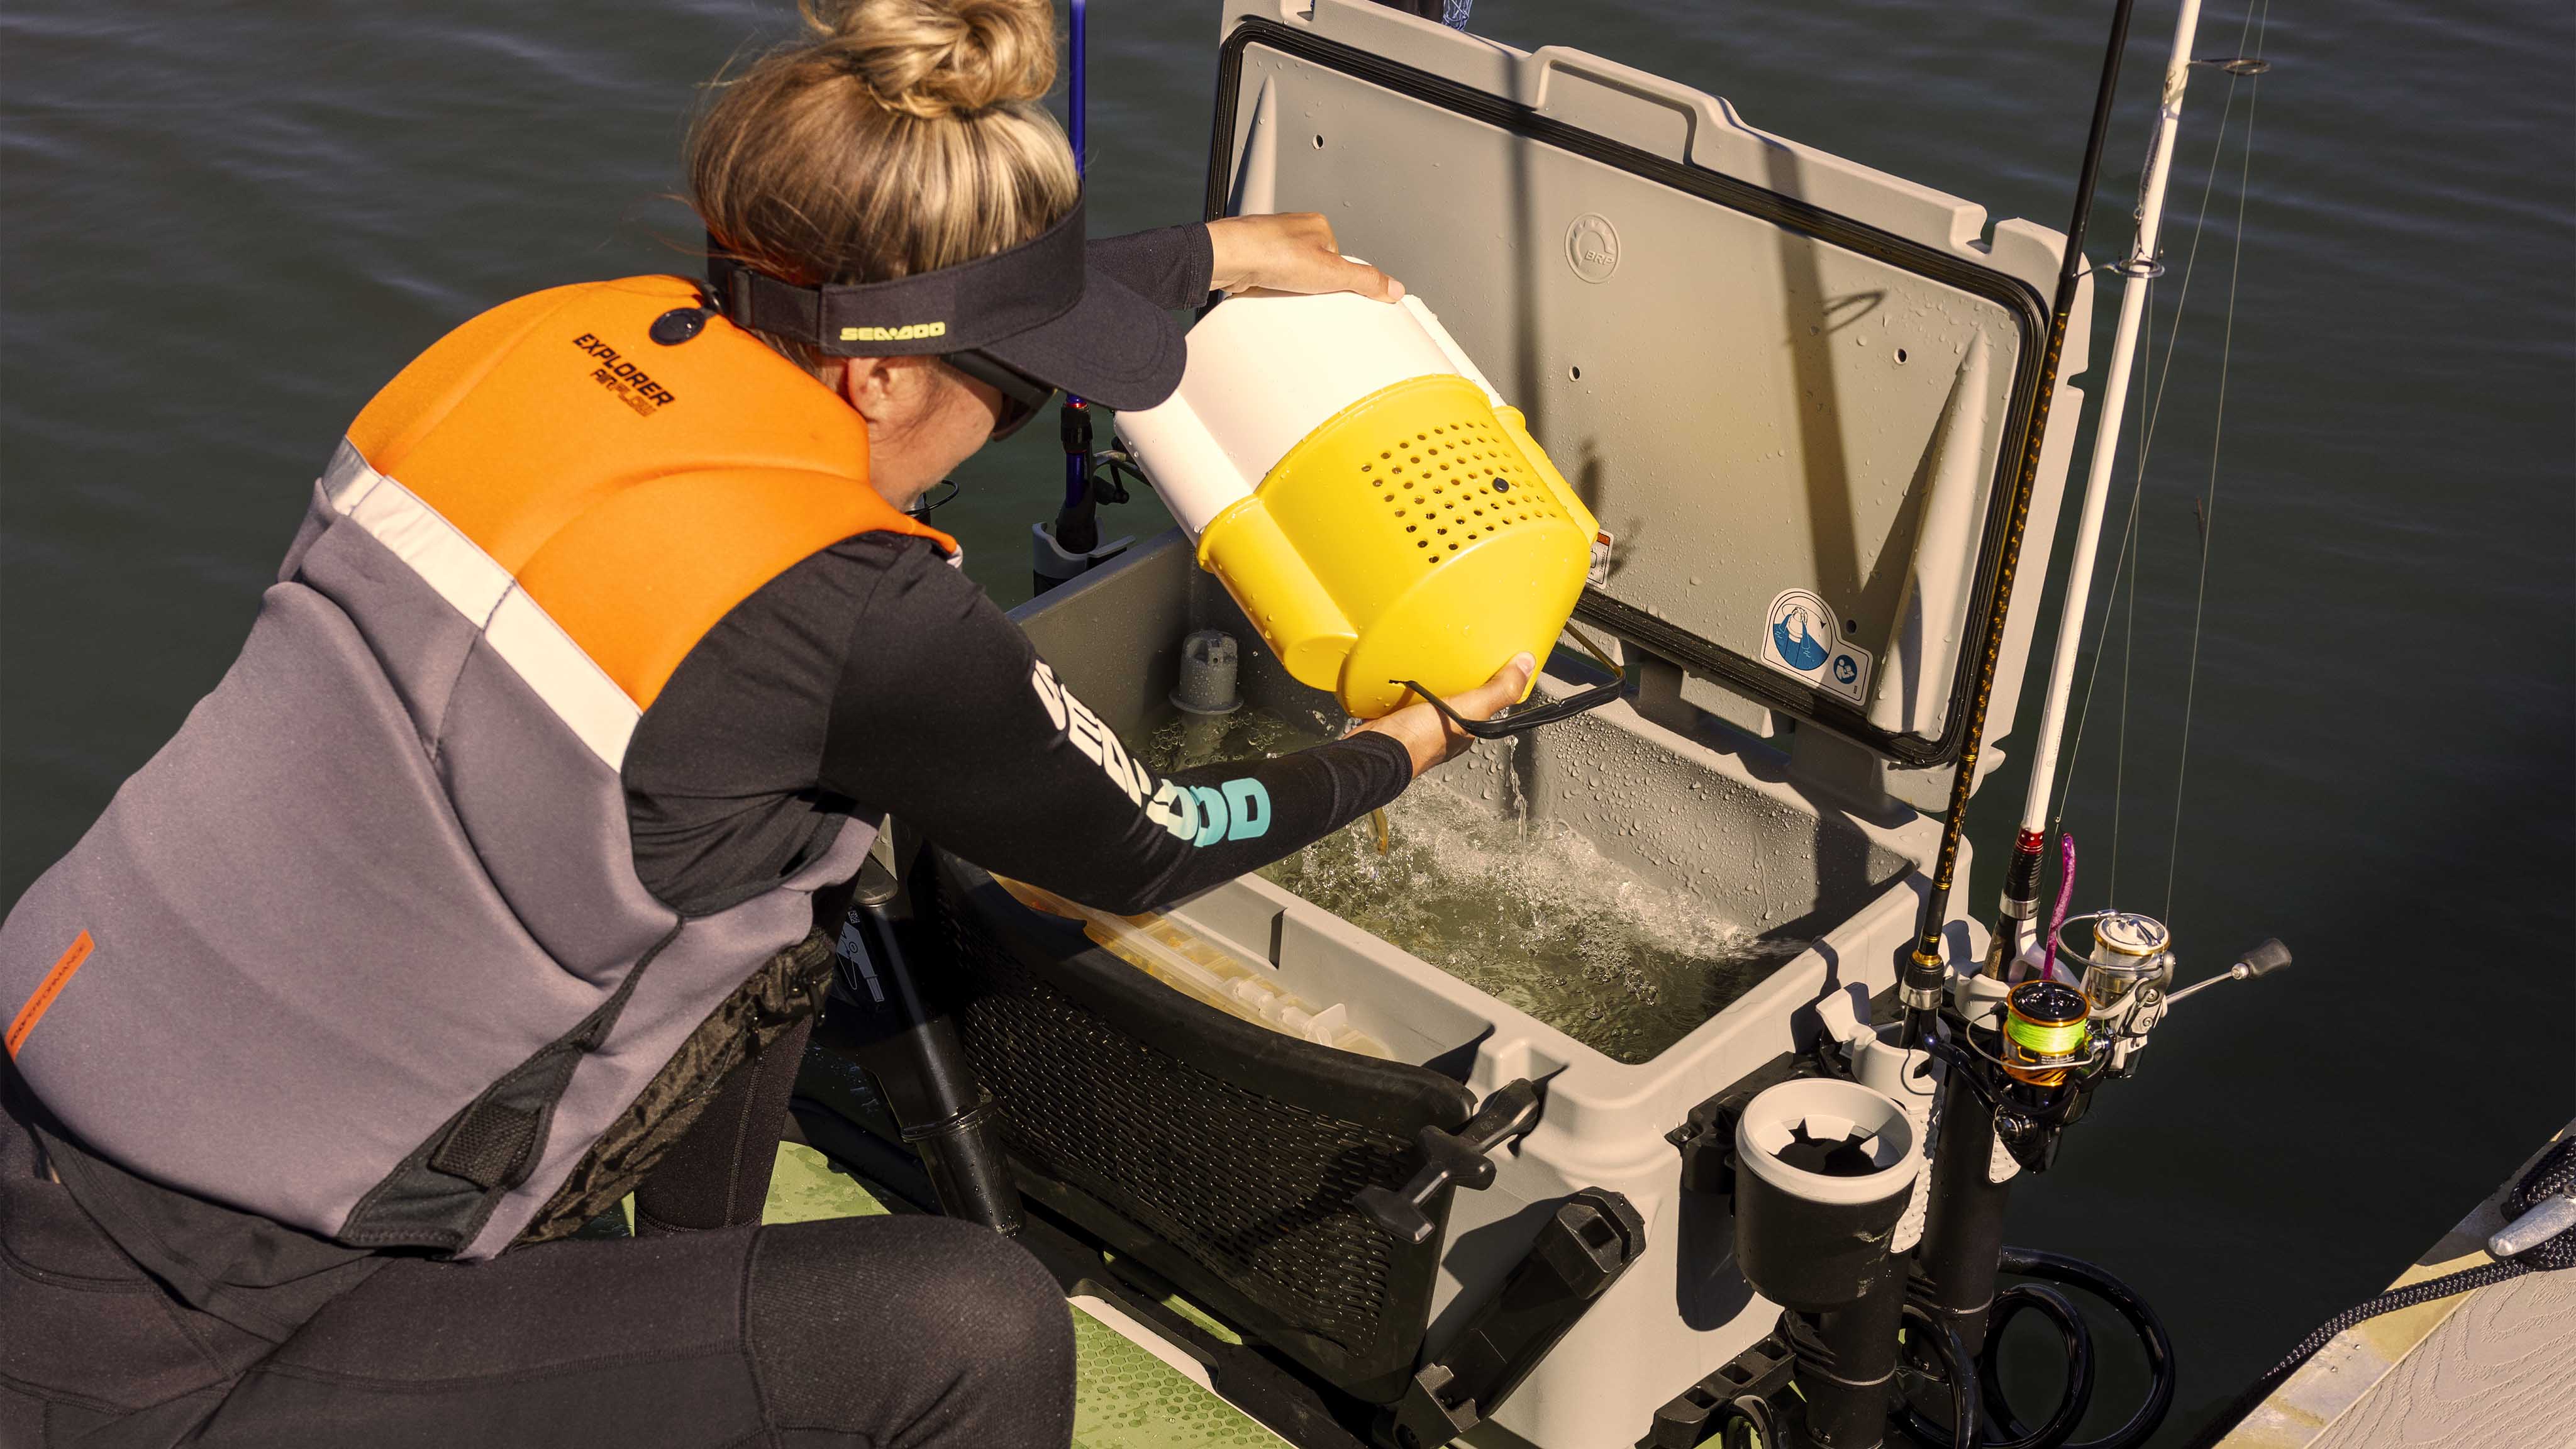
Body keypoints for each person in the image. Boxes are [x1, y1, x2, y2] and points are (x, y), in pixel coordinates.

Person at [0, 1, 1532, 1445]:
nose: (1007, 422)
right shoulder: (856, 614)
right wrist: (1417, 739)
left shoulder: (531, 346)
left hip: (43, 1099)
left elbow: (892, 311)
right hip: (176, 1363)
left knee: (774, 862)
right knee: (975, 1327)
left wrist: (1199, 255)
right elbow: (1146, 839)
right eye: (1014, 387)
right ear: (874, 378)